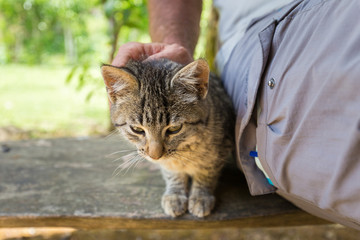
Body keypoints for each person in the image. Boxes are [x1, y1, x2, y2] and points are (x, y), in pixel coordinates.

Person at [111, 0, 360, 230]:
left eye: (172, 130)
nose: (155, 151)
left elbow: (216, 150)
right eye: (138, 130)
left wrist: (202, 187)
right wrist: (179, 185)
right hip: (264, 26)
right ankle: (176, 182)